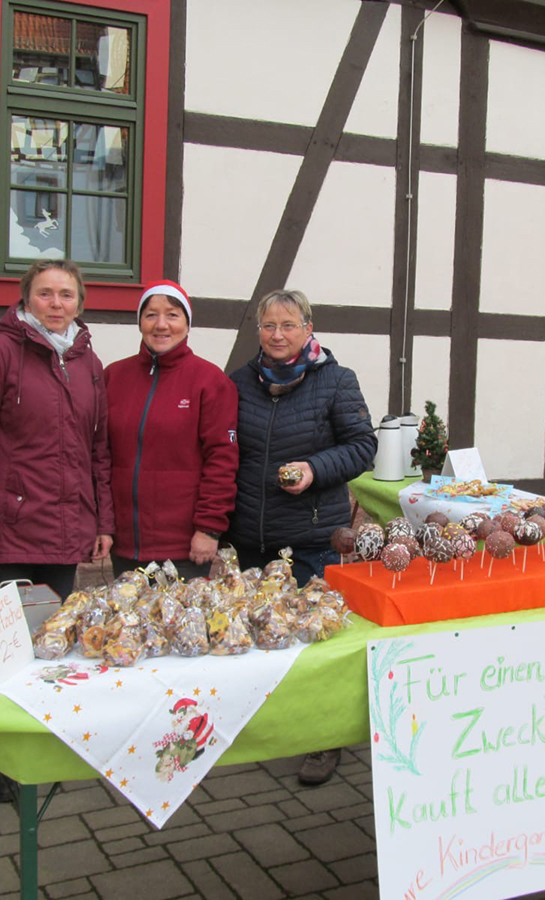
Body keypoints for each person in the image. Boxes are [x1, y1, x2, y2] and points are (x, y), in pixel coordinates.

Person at [226, 288, 377, 786]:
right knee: (257, 632)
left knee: (316, 643)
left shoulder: (336, 381)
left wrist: (314, 467)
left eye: (288, 325)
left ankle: (323, 740)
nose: (277, 335)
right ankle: (267, 725)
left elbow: (362, 447)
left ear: (308, 329)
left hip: (311, 536)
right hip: (251, 535)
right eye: (268, 326)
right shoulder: (240, 382)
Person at [0, 258, 113, 602]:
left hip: (66, 527)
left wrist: (103, 523)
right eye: (45, 294)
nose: (56, 303)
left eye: (66, 295)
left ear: (79, 304)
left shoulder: (89, 363)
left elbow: (98, 450)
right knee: (10, 638)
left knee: (53, 634)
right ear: (26, 301)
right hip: (12, 528)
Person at [104, 280, 238, 579]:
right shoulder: (114, 376)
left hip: (184, 549)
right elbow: (99, 456)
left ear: (187, 325)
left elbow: (222, 461)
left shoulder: (210, 381)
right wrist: (102, 526)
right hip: (125, 545)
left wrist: (209, 529)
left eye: (173, 315)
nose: (161, 324)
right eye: (151, 314)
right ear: (140, 322)